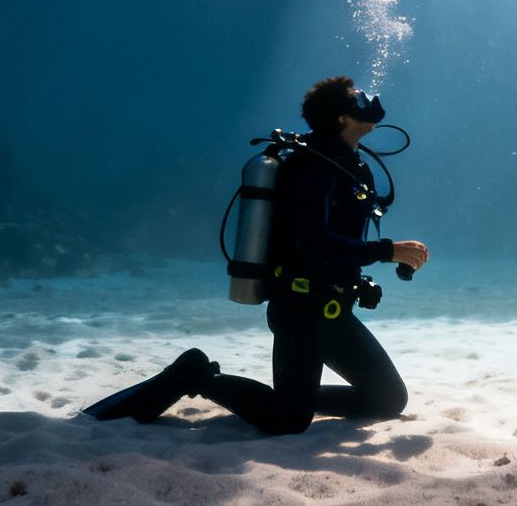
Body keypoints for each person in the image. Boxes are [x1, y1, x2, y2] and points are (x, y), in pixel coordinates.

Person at [83, 75, 430, 434]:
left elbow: (339, 236)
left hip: (334, 309)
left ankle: (295, 398)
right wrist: (388, 251)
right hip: (300, 311)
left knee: (388, 400)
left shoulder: (352, 164)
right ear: (342, 117)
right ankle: (196, 375)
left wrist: (362, 275)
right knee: (289, 421)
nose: (368, 100)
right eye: (357, 98)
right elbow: (312, 242)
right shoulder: (313, 168)